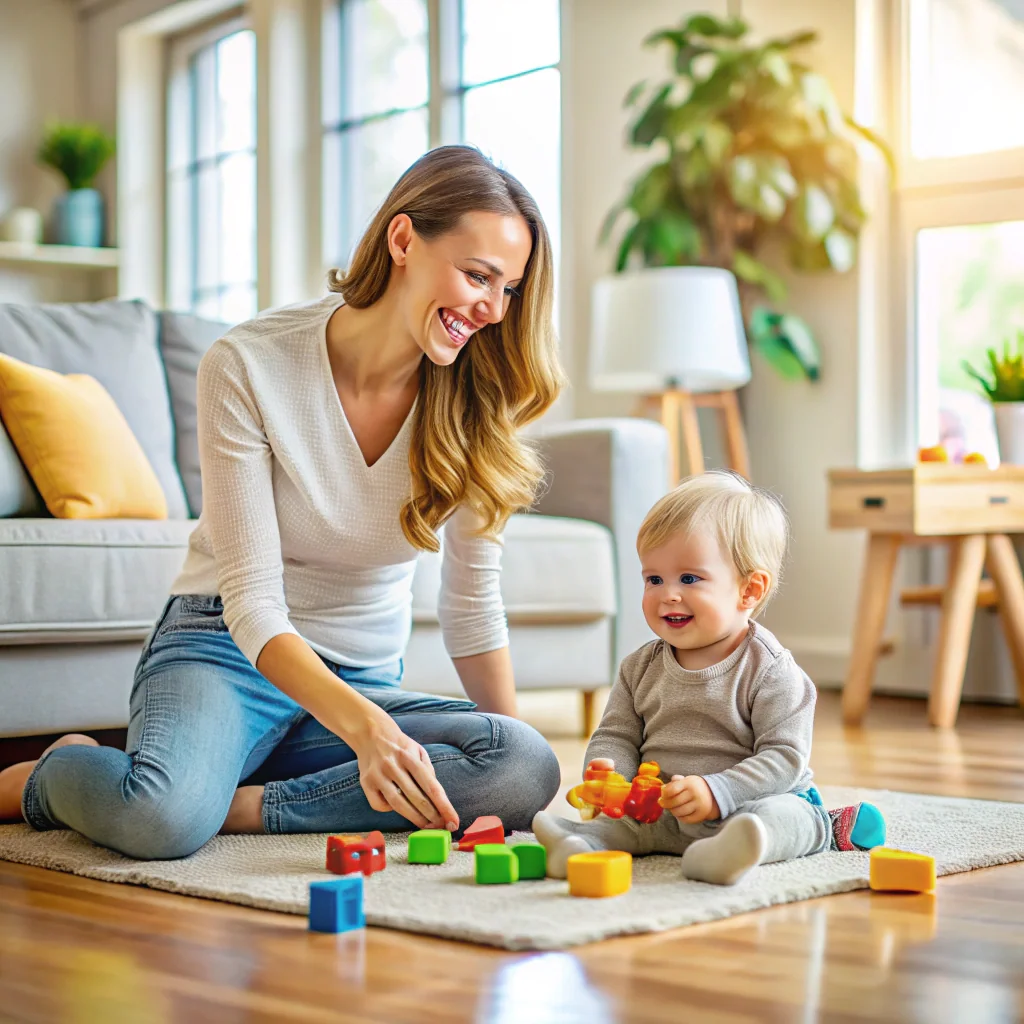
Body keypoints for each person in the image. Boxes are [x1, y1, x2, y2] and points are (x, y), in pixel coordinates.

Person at [0, 145, 564, 859]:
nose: (491, 309)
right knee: (160, 822)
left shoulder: (478, 399)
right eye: (478, 275)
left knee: (528, 764)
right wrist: (367, 734)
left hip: (358, 685)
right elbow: (254, 606)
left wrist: (513, 789)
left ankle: (230, 805)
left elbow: (472, 609)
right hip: (225, 651)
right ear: (402, 240)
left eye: (509, 289)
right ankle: (51, 778)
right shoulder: (249, 364)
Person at [533, 472, 886, 884]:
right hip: (664, 809)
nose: (668, 594)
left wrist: (718, 792)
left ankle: (733, 850)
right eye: (654, 579)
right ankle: (579, 844)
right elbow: (618, 734)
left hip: (746, 803)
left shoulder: (770, 670)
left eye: (689, 579)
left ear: (749, 591)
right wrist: (612, 776)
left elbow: (783, 760)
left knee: (785, 817)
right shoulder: (638, 668)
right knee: (625, 826)